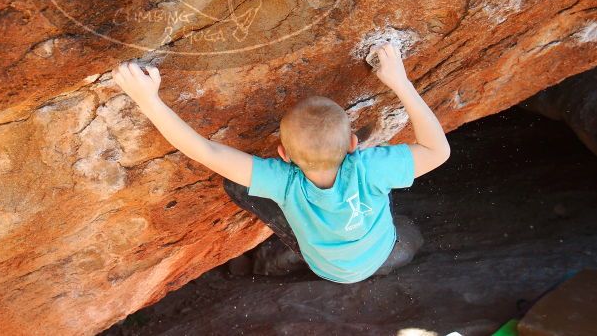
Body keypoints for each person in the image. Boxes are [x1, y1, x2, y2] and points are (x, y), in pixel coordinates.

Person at [111, 41, 450, 283]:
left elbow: (205, 151)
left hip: (326, 267)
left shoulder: (283, 182)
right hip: (378, 251)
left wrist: (148, 100)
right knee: (397, 201)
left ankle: (274, 253)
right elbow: (438, 151)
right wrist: (399, 82)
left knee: (235, 182)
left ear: (283, 155)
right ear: (352, 144)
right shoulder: (371, 168)